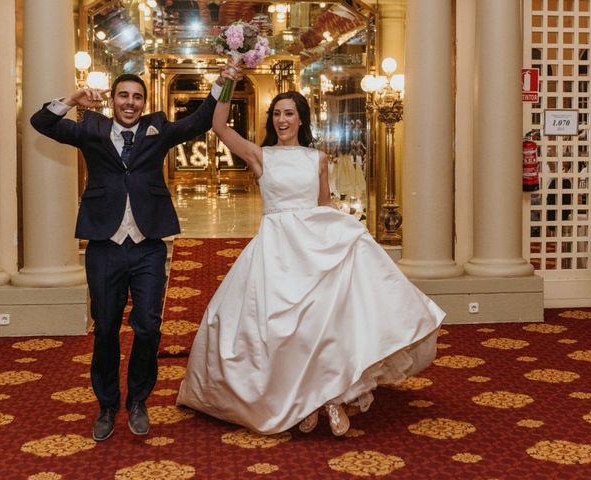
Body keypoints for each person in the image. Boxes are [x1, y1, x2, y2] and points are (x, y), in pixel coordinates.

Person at [176, 89, 446, 436]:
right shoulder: (261, 156)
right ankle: (300, 399)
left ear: (300, 119)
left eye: (289, 113)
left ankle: (329, 398)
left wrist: (350, 232)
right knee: (281, 330)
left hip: (314, 246)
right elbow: (219, 125)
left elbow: (324, 205)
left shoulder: (317, 158)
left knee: (323, 326)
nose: (282, 120)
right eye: (276, 114)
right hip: (275, 250)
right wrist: (228, 80)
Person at [30, 66, 240, 442]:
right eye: (123, 96)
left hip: (147, 246)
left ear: (145, 103)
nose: (130, 102)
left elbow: (200, 120)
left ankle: (139, 400)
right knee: (106, 327)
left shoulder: (157, 130)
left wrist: (222, 82)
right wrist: (73, 99)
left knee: (148, 326)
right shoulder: (91, 130)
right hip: (104, 245)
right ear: (112, 100)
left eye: (137, 97)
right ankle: (108, 405)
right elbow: (41, 122)